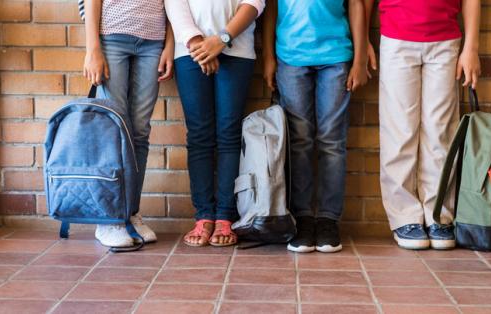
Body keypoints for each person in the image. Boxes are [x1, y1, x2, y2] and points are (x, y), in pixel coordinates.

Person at [368, 0, 481, 250]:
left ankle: (438, 214)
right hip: (397, 39)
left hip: (445, 40)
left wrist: (471, 47)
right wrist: (364, 38)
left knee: (440, 132)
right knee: (399, 131)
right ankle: (404, 216)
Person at [263, 0, 368, 253]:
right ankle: (303, 218)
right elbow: (271, 9)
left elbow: (356, 5)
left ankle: (328, 219)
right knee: (299, 142)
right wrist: (268, 57)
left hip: (336, 57)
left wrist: (360, 59)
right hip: (291, 58)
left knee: (332, 141)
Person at [165, 0, 265, 247]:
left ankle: (225, 215)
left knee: (229, 135)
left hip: (237, 49)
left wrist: (221, 39)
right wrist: (197, 43)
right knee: (199, 135)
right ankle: (204, 215)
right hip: (189, 52)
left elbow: (255, 2)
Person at [83, 0, 175, 247]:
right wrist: (93, 49)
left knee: (140, 132)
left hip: (153, 42)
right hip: (112, 37)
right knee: (115, 131)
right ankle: (109, 219)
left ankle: (131, 213)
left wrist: (169, 44)